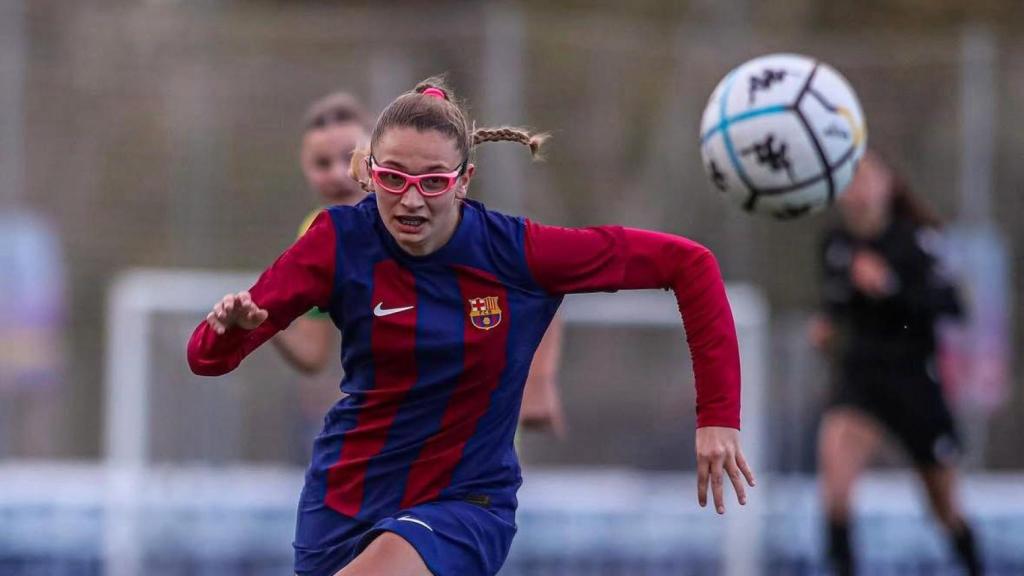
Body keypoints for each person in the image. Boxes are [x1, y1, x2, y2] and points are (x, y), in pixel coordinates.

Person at [188, 76, 754, 576]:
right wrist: (229, 330)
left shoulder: (518, 253)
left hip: (464, 503)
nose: (411, 199)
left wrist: (718, 417)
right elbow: (206, 358)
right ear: (372, 175)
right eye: (394, 179)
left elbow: (690, 265)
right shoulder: (338, 240)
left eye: (433, 181)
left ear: (464, 179)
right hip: (343, 498)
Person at [275, 90, 566, 437]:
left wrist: (538, 383)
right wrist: (258, 319)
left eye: (348, 157)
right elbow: (312, 353)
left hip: (470, 425)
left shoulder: (437, 213)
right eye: (322, 163)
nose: (338, 174)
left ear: (376, 157)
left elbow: (541, 273)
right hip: (391, 430)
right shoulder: (320, 236)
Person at [809, 150, 982, 576]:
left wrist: (889, 285)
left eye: (867, 178)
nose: (859, 189)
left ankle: (976, 564)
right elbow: (838, 304)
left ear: (889, 185)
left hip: (914, 383)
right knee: (834, 488)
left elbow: (953, 307)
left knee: (943, 506)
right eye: (850, 182)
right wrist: (827, 325)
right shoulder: (836, 247)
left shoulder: (916, 241)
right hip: (861, 381)